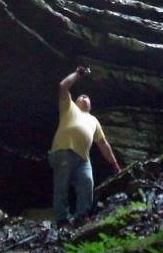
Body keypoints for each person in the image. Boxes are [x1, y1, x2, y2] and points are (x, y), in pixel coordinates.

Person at [48, 67, 120, 226]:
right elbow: (62, 86)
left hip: (83, 158)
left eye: (87, 96)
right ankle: (62, 219)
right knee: (62, 185)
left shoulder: (94, 120)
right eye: (81, 95)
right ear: (76, 101)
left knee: (87, 182)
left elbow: (103, 143)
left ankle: (82, 216)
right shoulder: (69, 107)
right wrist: (78, 74)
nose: (84, 96)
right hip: (64, 150)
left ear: (91, 105)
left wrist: (114, 163)